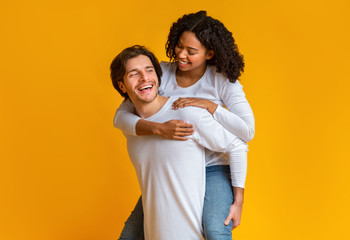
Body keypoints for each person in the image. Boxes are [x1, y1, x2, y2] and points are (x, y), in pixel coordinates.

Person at [115, 11, 255, 240]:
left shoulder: (222, 81)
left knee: (215, 230)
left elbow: (246, 133)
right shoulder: (162, 73)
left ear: (210, 53)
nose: (181, 54)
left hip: (211, 168)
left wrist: (210, 106)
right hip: (173, 170)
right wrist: (158, 128)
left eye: (191, 51)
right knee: (129, 235)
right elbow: (121, 117)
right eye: (179, 46)